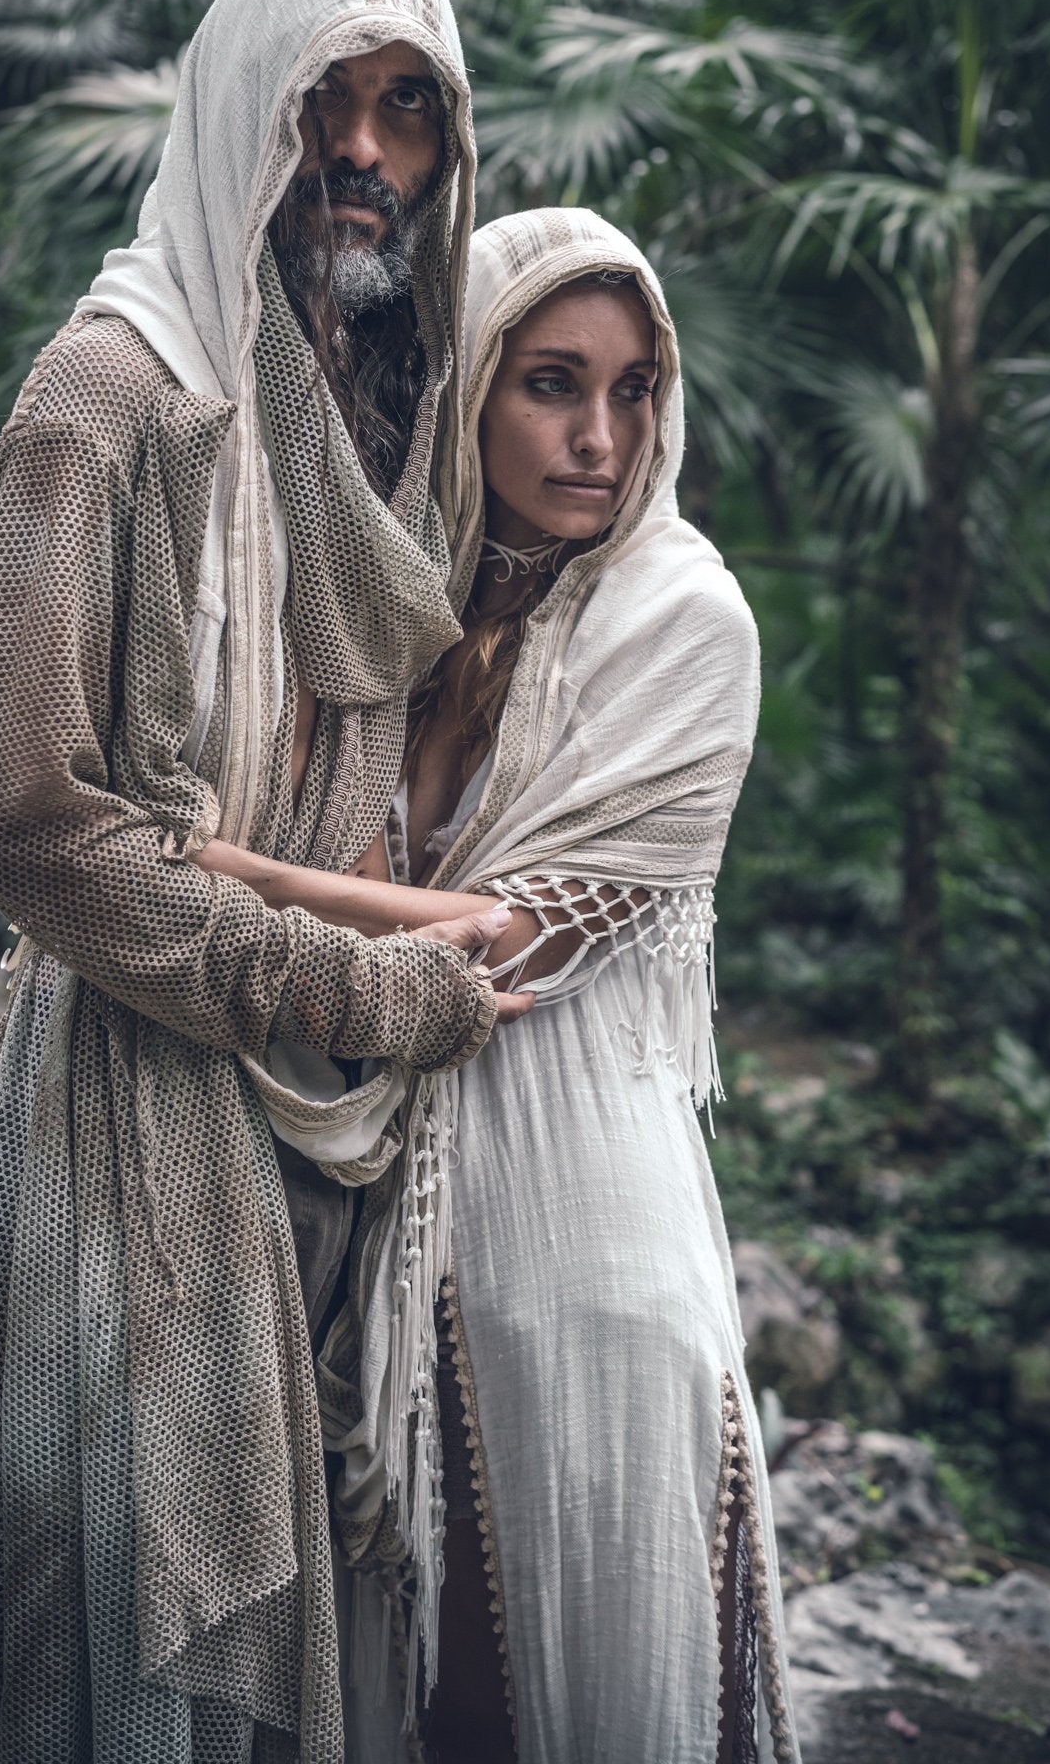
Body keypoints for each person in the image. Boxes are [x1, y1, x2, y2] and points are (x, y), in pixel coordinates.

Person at [0, 0, 531, 1764]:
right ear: (235, 119)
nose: (360, 151)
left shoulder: (380, 396)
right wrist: (347, 977)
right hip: (140, 1092)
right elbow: (15, 815)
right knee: (135, 1654)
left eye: (404, 111)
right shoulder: (110, 401)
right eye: (320, 105)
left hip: (327, 1123)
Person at [206, 207, 801, 1762]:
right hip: (363, 1210)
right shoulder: (402, 617)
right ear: (467, 387)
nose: (602, 436)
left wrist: (224, 875)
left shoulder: (686, 620)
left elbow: (502, 942)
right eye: (551, 383)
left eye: (634, 388)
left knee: (555, 1673)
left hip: (576, 1236)